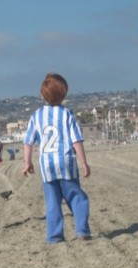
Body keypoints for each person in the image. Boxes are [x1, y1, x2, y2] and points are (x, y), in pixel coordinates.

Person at [23, 73, 92, 243]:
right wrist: (83, 162)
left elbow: (28, 142)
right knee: (77, 197)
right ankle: (82, 231)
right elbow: (76, 140)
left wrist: (27, 162)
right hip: (66, 163)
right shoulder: (67, 114)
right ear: (63, 95)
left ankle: (54, 236)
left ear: (42, 95)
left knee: (52, 202)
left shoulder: (36, 115)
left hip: (47, 166)